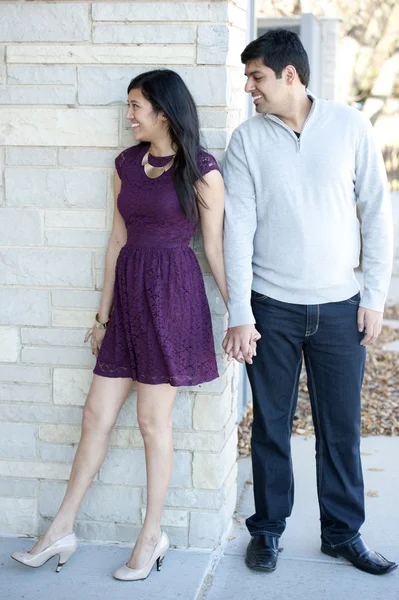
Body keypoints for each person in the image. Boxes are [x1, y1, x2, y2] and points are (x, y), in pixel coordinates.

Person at [11, 69, 229, 581]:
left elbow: (215, 249)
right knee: (95, 414)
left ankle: (152, 535)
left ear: (163, 111)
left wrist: (240, 313)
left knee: (154, 424)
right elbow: (115, 241)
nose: (128, 117)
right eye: (127, 107)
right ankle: (61, 527)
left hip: (172, 302)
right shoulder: (126, 165)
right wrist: (102, 317)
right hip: (128, 299)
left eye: (135, 107)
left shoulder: (201, 170)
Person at [222, 29, 397, 576]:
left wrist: (374, 298)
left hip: (342, 308)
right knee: (271, 424)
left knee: (340, 428)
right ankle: (268, 531)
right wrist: (241, 312)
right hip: (271, 307)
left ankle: (343, 534)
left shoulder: (349, 126)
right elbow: (238, 230)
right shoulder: (247, 140)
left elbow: (376, 212)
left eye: (256, 77)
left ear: (289, 75)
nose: (249, 87)